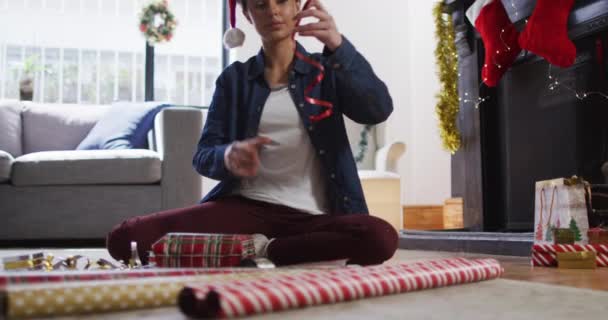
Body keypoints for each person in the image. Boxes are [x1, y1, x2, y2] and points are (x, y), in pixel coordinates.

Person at [106, 0, 397, 266]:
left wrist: (337, 44)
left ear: (298, 5)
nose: (272, 10)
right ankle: (277, 250)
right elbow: (203, 156)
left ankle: (263, 250)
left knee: (380, 237)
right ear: (247, 14)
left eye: (282, 1)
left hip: (316, 217)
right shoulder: (234, 80)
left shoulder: (326, 70)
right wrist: (228, 156)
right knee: (126, 238)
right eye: (260, 4)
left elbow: (377, 109)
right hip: (245, 209)